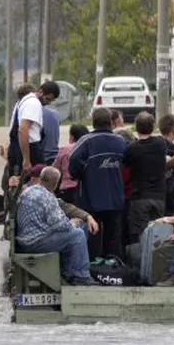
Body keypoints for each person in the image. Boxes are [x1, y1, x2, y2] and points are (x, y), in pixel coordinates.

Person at [15, 167, 97, 285]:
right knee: (77, 235)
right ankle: (81, 276)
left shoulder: (28, 191)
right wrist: (72, 223)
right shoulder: (47, 197)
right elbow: (60, 224)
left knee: (72, 234)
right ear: (56, 183)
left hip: (24, 240)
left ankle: (69, 272)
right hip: (37, 241)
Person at [68, 107, 128, 260]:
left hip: (91, 197)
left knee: (93, 232)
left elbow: (73, 159)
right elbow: (129, 160)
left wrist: (83, 172)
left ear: (93, 123)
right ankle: (113, 266)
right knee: (113, 233)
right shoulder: (120, 141)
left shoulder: (86, 141)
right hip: (115, 197)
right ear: (110, 123)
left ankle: (93, 265)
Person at [124, 112, 170, 242]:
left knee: (141, 234)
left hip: (140, 198)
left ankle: (141, 260)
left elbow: (124, 164)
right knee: (158, 234)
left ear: (136, 127)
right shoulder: (161, 143)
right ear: (153, 127)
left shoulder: (132, 148)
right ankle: (155, 260)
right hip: (159, 197)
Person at [7, 80, 60, 176]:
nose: (47, 103)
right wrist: (26, 160)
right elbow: (23, 130)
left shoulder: (26, 100)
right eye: (47, 99)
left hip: (20, 148)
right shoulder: (33, 103)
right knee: (40, 181)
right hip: (28, 149)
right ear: (40, 92)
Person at [53, 124, 89, 206]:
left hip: (67, 190)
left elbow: (54, 169)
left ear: (72, 137)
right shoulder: (89, 148)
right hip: (84, 189)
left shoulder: (64, 149)